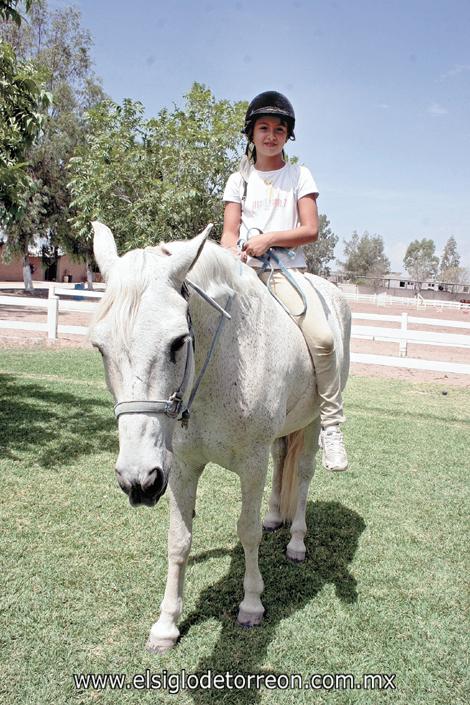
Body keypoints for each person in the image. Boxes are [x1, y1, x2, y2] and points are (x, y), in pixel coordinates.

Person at [221, 90, 348, 471]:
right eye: (264, 128)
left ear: (288, 136)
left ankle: (331, 427)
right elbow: (229, 233)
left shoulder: (299, 175)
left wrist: (269, 239)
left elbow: (310, 230)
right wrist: (233, 251)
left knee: (323, 339)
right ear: (252, 133)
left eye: (279, 129)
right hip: (245, 274)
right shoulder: (238, 179)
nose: (271, 135)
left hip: (287, 274)